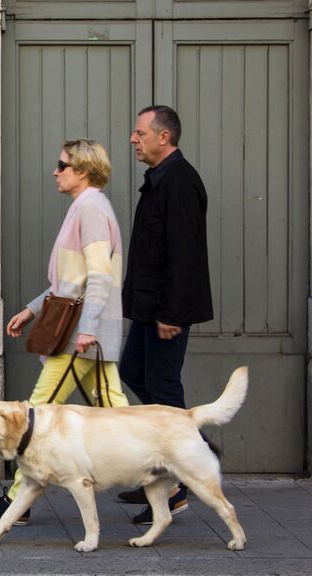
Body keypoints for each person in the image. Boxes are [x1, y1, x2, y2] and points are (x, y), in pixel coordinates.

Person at [0, 139, 129, 525]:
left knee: (37, 412)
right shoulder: (86, 206)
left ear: (83, 171)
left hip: (78, 335)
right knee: (115, 407)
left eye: (62, 165)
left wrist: (88, 329)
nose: (55, 171)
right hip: (83, 331)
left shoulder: (90, 208)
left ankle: (15, 503)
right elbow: (68, 281)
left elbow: (98, 277)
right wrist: (32, 309)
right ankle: (167, 474)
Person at [117, 105, 213, 525]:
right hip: (147, 308)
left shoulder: (180, 182)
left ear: (164, 137)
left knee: (163, 389)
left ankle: (176, 482)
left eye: (140, 133)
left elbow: (185, 254)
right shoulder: (160, 181)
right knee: (135, 372)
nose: (133, 140)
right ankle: (187, 456)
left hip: (165, 311)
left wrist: (173, 312)